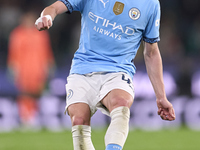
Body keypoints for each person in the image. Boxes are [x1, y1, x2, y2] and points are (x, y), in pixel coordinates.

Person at [35, 0, 176, 149]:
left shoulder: (150, 4)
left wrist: (161, 97)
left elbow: (151, 52)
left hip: (118, 70)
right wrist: (46, 17)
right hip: (83, 69)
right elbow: (54, 8)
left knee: (121, 103)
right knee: (79, 120)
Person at [8, 10, 55, 128]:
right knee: (24, 94)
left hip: (38, 70)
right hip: (24, 70)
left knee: (39, 93)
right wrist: (13, 69)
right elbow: (13, 54)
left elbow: (47, 51)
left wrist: (49, 65)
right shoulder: (17, 34)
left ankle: (36, 117)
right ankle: (25, 118)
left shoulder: (41, 33)